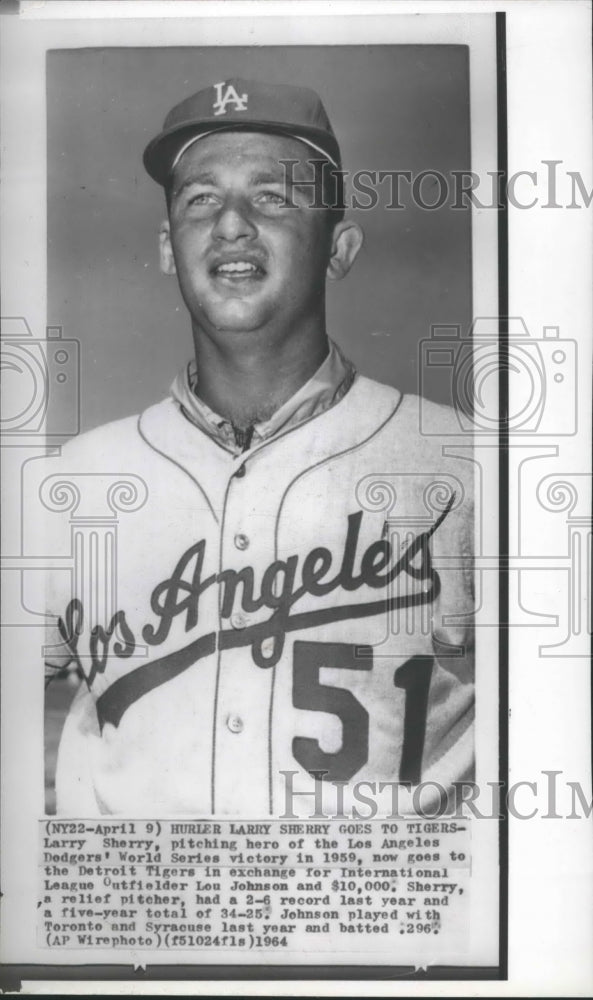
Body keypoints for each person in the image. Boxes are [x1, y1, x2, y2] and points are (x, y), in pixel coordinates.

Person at [41, 78, 474, 816]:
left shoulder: (468, 466)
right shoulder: (77, 478)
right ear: (168, 249)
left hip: (377, 918)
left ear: (339, 248)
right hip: (140, 918)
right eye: (199, 199)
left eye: (271, 197)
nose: (230, 225)